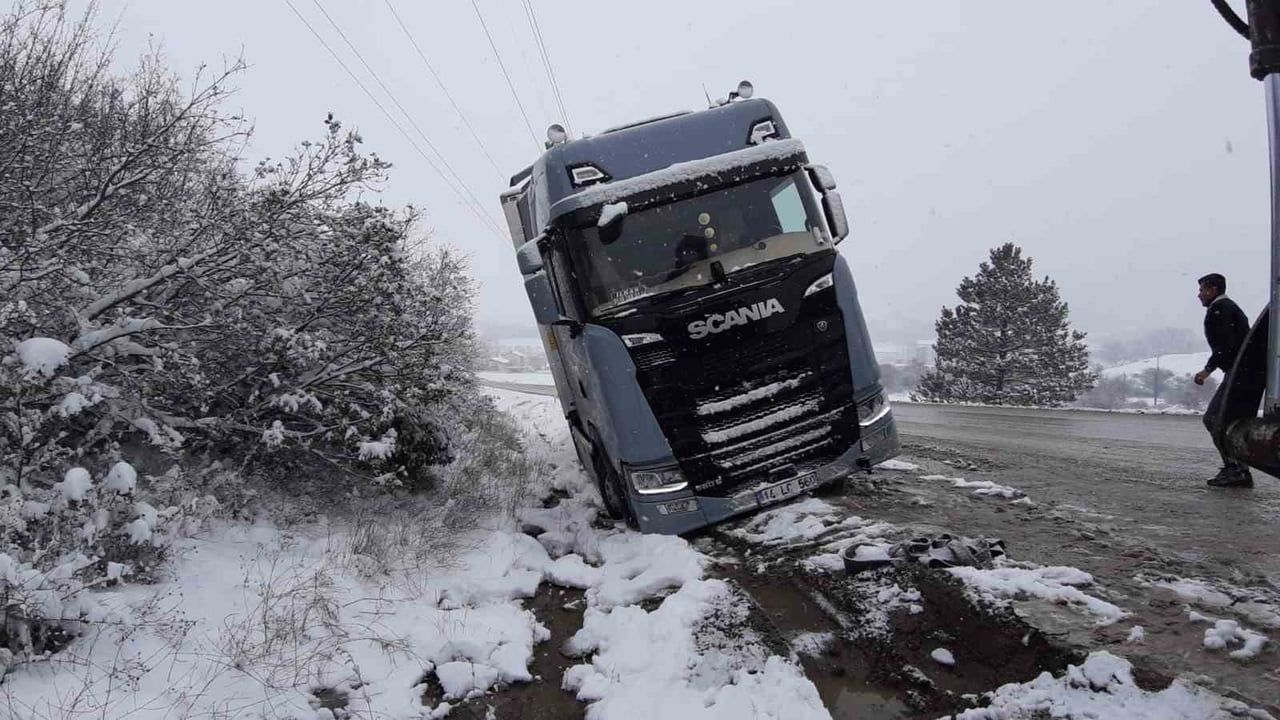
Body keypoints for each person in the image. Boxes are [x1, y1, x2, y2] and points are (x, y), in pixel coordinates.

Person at [1194, 273, 1252, 487]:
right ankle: (1238, 468)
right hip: (1243, 372)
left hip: (1241, 372)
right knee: (1224, 419)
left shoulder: (1221, 310)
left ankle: (1236, 469)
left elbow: (1226, 346)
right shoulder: (1227, 308)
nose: (1199, 295)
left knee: (1214, 419)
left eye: (1202, 290)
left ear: (1214, 290)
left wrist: (1207, 370)